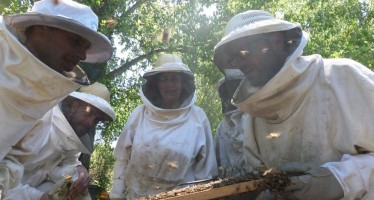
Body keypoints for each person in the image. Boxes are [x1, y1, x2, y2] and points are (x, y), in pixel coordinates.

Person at [213, 9, 374, 200]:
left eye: (244, 52)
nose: (239, 63)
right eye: (233, 57)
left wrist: (340, 179)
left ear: (278, 42)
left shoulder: (343, 77)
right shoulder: (254, 114)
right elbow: (268, 184)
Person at [0, 0, 112, 178]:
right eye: (75, 41)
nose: (83, 56)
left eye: (86, 48)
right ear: (42, 28)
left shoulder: (44, 102)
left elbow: (12, 161)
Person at [110, 54, 218, 199]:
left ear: (183, 83)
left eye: (175, 79)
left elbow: (206, 169)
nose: (170, 85)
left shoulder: (198, 117)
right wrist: (117, 195)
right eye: (164, 79)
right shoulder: (139, 115)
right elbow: (122, 158)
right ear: (156, 85)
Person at [3, 82, 116, 200]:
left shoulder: (72, 137)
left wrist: (79, 170)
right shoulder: (40, 119)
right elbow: (3, 169)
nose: (90, 123)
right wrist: (39, 197)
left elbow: (66, 163)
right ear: (74, 106)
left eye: (97, 119)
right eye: (89, 112)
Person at [214, 75, 248, 178]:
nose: (232, 92)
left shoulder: (256, 118)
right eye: (228, 89)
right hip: (230, 185)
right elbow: (215, 162)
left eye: (234, 87)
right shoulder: (222, 127)